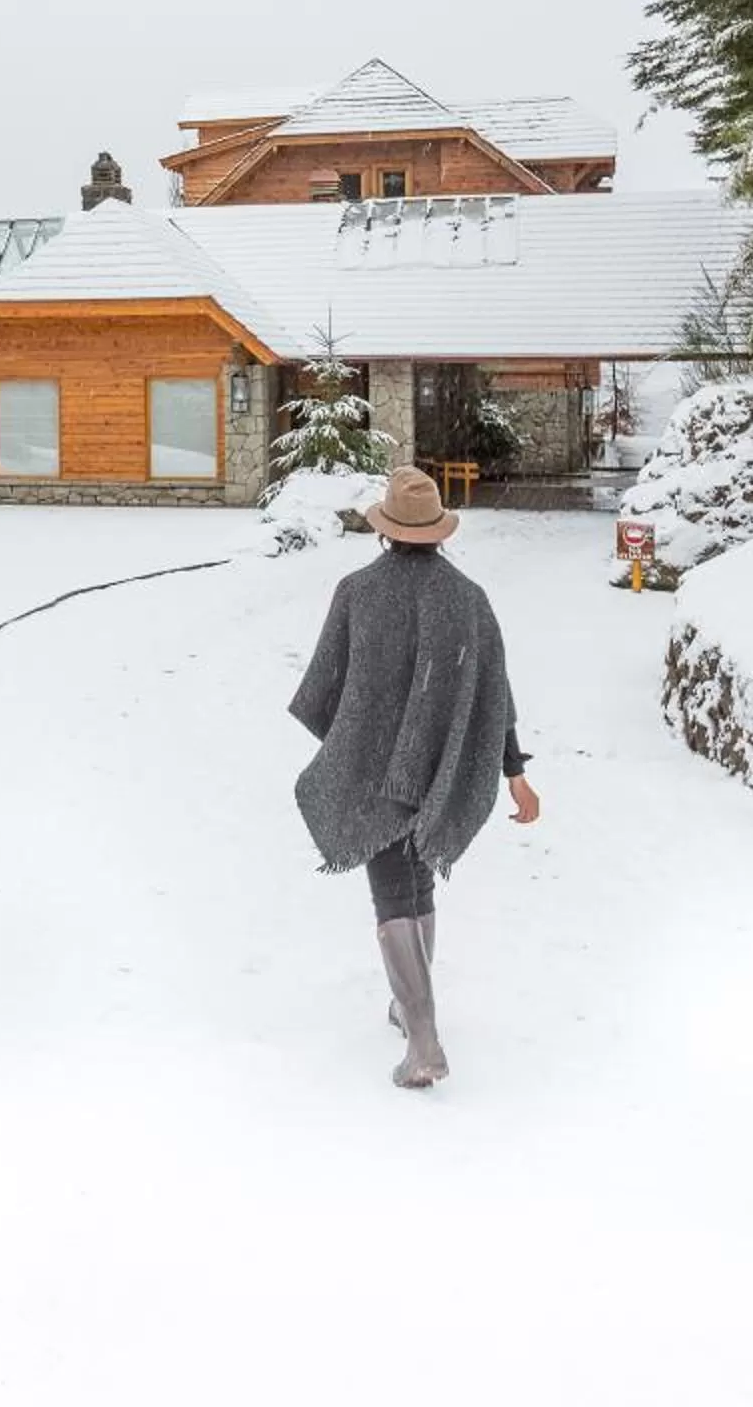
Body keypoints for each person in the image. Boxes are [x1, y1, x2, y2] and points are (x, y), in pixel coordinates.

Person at [286, 464, 540, 1089]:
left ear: (386, 530)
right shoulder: (468, 599)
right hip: (441, 770)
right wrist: (513, 771)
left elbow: (322, 690)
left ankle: (424, 1044)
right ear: (438, 532)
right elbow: (493, 697)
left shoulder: (358, 591)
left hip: (374, 772)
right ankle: (409, 1007)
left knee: (393, 894)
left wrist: (360, 745)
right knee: (418, 883)